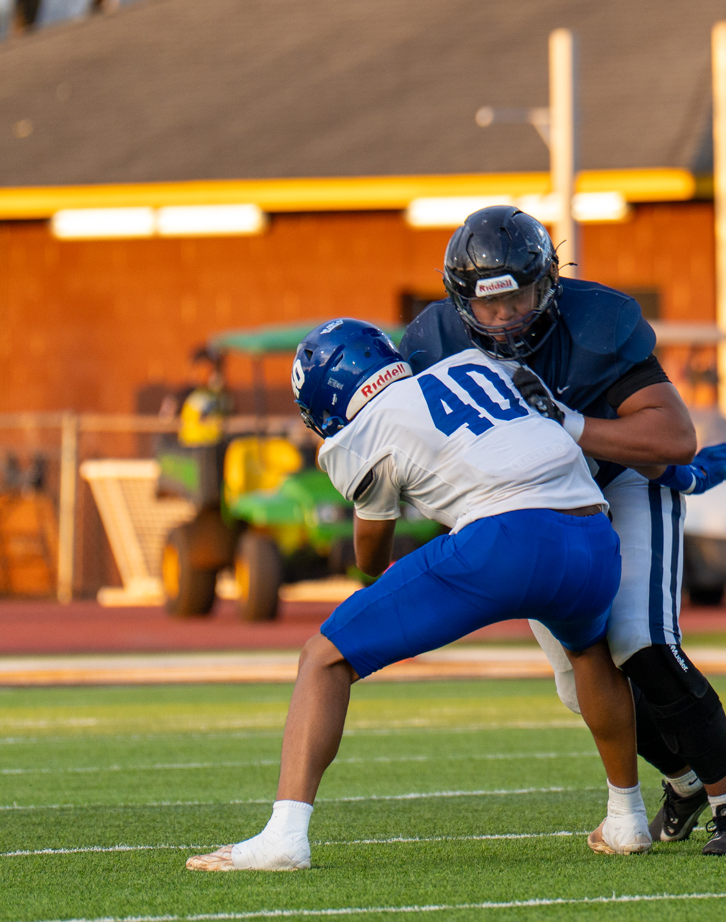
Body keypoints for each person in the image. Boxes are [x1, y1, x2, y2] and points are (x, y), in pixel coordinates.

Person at [187, 320, 648, 871]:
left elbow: (369, 554)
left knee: (324, 657)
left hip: (507, 538)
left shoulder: (363, 430)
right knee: (588, 654)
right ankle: (627, 818)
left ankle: (285, 835)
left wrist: (391, 567)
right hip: (595, 537)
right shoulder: (473, 365)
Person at [401, 207, 726, 856]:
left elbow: (673, 436)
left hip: (618, 484)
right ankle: (682, 780)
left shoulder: (595, 323)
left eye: (521, 295)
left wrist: (574, 426)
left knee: (640, 642)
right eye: (491, 305)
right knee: (580, 683)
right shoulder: (431, 343)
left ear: (550, 285)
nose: (508, 316)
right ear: (463, 306)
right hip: (538, 503)